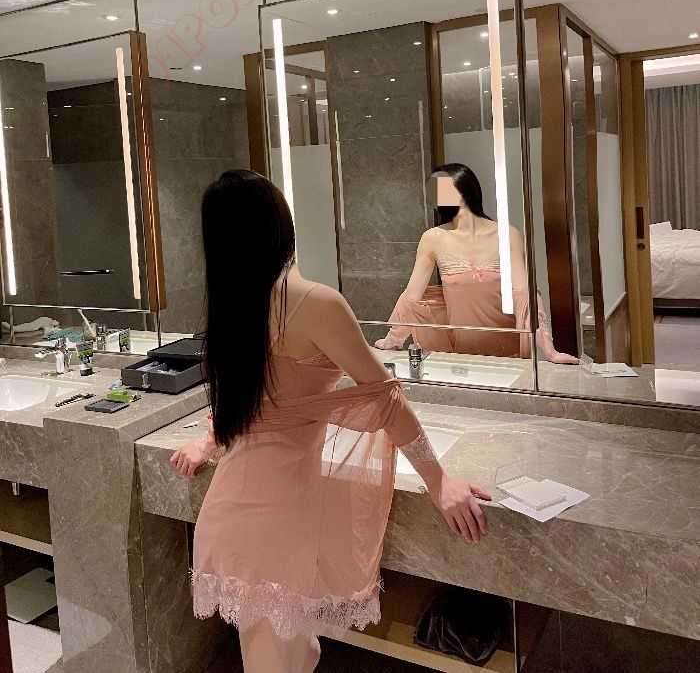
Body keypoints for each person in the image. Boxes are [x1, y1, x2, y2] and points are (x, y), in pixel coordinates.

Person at [170, 169, 491, 673]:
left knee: (290, 655)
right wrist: (438, 480)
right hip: (278, 524)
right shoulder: (315, 303)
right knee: (282, 660)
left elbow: (254, 400)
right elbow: (386, 400)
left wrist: (208, 441)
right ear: (279, 223)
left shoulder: (235, 306)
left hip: (231, 515)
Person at [375, 164, 579, 364]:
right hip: (462, 357)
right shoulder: (433, 238)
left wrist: (549, 350)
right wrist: (393, 339)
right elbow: (412, 297)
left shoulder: (507, 234)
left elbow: (525, 294)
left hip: (510, 356)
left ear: (463, 190)